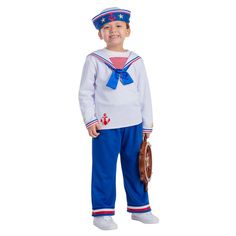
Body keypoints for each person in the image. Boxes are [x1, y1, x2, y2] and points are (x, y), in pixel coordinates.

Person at [79, 7, 159, 230]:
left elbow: (144, 93)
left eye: (118, 26)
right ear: (100, 34)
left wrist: (147, 123)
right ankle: (102, 213)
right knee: (104, 169)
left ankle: (140, 208)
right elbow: (85, 93)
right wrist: (90, 120)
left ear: (128, 30)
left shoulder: (136, 61)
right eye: (106, 27)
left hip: (133, 124)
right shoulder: (94, 59)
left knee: (137, 167)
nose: (112, 30)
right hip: (105, 126)